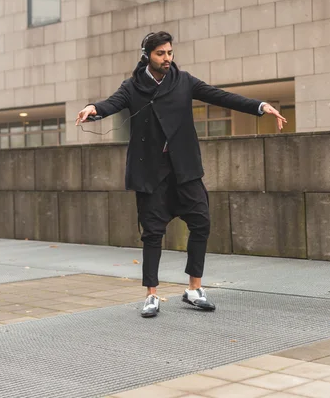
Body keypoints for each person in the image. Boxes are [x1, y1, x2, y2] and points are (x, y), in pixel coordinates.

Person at [76, 31, 287, 318]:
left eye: (169, 53)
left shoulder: (184, 81)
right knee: (152, 233)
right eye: (160, 54)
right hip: (151, 172)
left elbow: (221, 96)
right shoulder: (132, 87)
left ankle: (194, 289)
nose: (167, 58)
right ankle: (151, 293)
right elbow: (112, 103)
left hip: (184, 169)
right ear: (147, 55)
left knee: (201, 222)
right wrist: (94, 109)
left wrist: (260, 106)